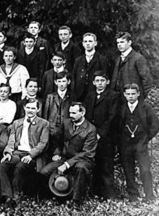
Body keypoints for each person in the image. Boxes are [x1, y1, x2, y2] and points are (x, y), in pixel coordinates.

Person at [39, 102, 97, 206]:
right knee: (44, 172)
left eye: (74, 113)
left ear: (82, 113)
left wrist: (67, 165)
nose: (71, 115)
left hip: (83, 160)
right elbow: (58, 141)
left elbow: (87, 153)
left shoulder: (91, 129)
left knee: (81, 168)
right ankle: (51, 196)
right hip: (64, 157)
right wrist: (56, 153)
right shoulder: (66, 123)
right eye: (70, 112)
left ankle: (76, 201)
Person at [0, 98, 49, 207]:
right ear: (24, 108)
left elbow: (42, 143)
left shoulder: (44, 124)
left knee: (20, 167)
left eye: (33, 108)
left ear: (38, 109)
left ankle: (17, 196)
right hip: (17, 152)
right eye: (28, 108)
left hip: (33, 155)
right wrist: (8, 152)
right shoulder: (17, 123)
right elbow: (11, 140)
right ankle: (8, 196)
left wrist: (31, 155)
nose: (30, 110)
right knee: (3, 165)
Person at [119, 83, 159, 202]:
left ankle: (149, 195)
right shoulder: (121, 108)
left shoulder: (145, 107)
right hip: (126, 143)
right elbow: (116, 125)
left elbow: (155, 125)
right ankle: (133, 196)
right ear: (124, 95)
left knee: (145, 169)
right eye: (128, 94)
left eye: (133, 94)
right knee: (128, 169)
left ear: (138, 94)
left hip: (141, 143)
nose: (131, 96)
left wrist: (146, 138)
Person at [83, 71, 118, 199]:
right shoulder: (90, 95)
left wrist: (100, 133)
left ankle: (110, 195)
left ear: (107, 82)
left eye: (102, 80)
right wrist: (90, 133)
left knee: (106, 166)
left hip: (106, 137)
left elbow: (112, 117)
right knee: (95, 164)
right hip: (92, 135)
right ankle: (96, 193)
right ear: (93, 82)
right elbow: (87, 115)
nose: (100, 83)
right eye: (97, 81)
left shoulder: (113, 96)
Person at [111, 32, 153, 99]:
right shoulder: (118, 59)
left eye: (122, 42)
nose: (119, 45)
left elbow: (147, 80)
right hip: (118, 98)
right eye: (118, 43)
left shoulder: (138, 58)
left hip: (133, 98)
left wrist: (142, 98)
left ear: (129, 42)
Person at [71, 32, 111, 102]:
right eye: (85, 41)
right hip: (79, 94)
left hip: (95, 94)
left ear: (95, 43)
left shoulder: (102, 59)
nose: (88, 43)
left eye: (90, 41)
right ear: (83, 44)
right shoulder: (78, 60)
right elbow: (74, 78)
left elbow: (106, 77)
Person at [42, 71, 74, 150]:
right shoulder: (50, 97)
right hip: (52, 128)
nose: (61, 84)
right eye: (59, 81)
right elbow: (46, 114)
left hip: (66, 128)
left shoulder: (72, 96)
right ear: (55, 82)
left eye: (64, 81)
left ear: (68, 82)